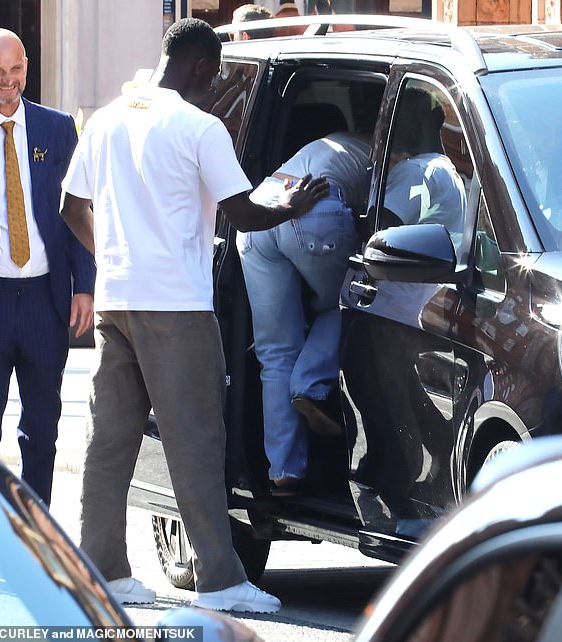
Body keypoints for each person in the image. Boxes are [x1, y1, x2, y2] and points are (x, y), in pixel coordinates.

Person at [60, 18, 327, 610]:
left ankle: (100, 571)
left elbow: (68, 205)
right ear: (202, 68)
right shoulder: (199, 127)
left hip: (117, 300)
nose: (212, 88)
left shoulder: (104, 119)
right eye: (212, 77)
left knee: (109, 443)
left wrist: (112, 254)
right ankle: (220, 582)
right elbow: (244, 214)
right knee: (197, 442)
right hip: (176, 306)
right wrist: (296, 203)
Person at [0, 28, 95, 511]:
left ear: (27, 66)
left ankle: (38, 539)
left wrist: (84, 287)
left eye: (16, 70)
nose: (8, 82)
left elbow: (77, 214)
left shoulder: (56, 129)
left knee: (42, 429)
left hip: (46, 302)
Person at [237, 132, 370, 492]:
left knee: (275, 351)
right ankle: (309, 386)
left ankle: (284, 469)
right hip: (311, 206)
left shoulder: (323, 146)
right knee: (349, 300)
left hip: (261, 208)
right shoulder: (388, 154)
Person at [384, 87, 466, 238]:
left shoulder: (418, 170)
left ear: (412, 127)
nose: (388, 129)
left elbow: (379, 232)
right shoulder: (441, 167)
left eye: (395, 121)